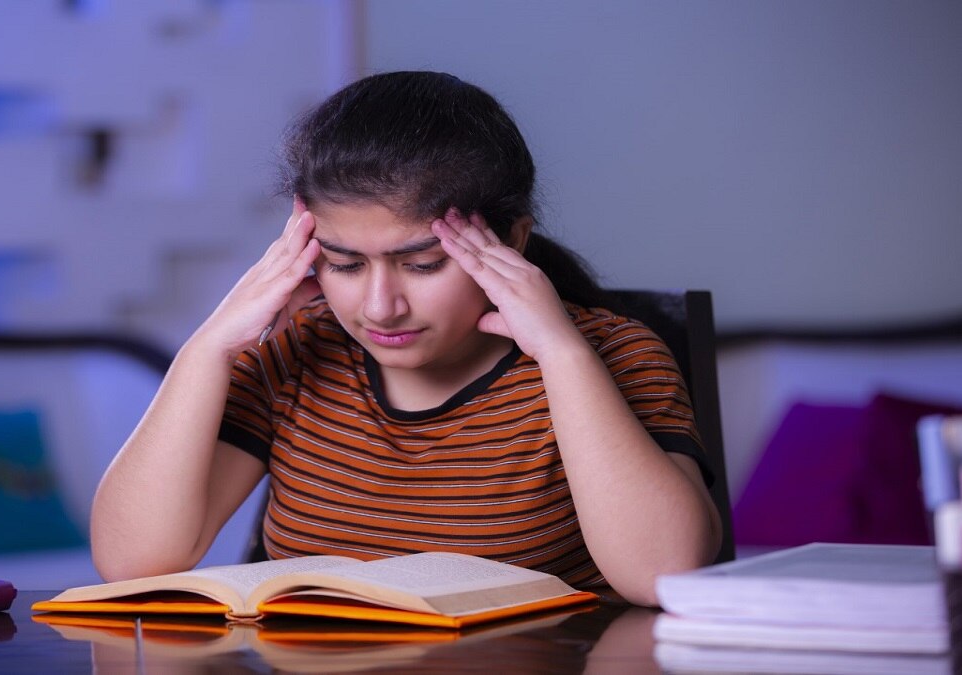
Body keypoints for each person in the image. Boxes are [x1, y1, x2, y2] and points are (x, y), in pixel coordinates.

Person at [90, 71, 721, 606]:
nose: (380, 307)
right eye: (343, 264)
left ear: (512, 241)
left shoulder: (613, 353)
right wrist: (210, 348)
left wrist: (561, 354)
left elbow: (664, 575)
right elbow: (132, 562)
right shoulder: (296, 353)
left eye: (422, 265)